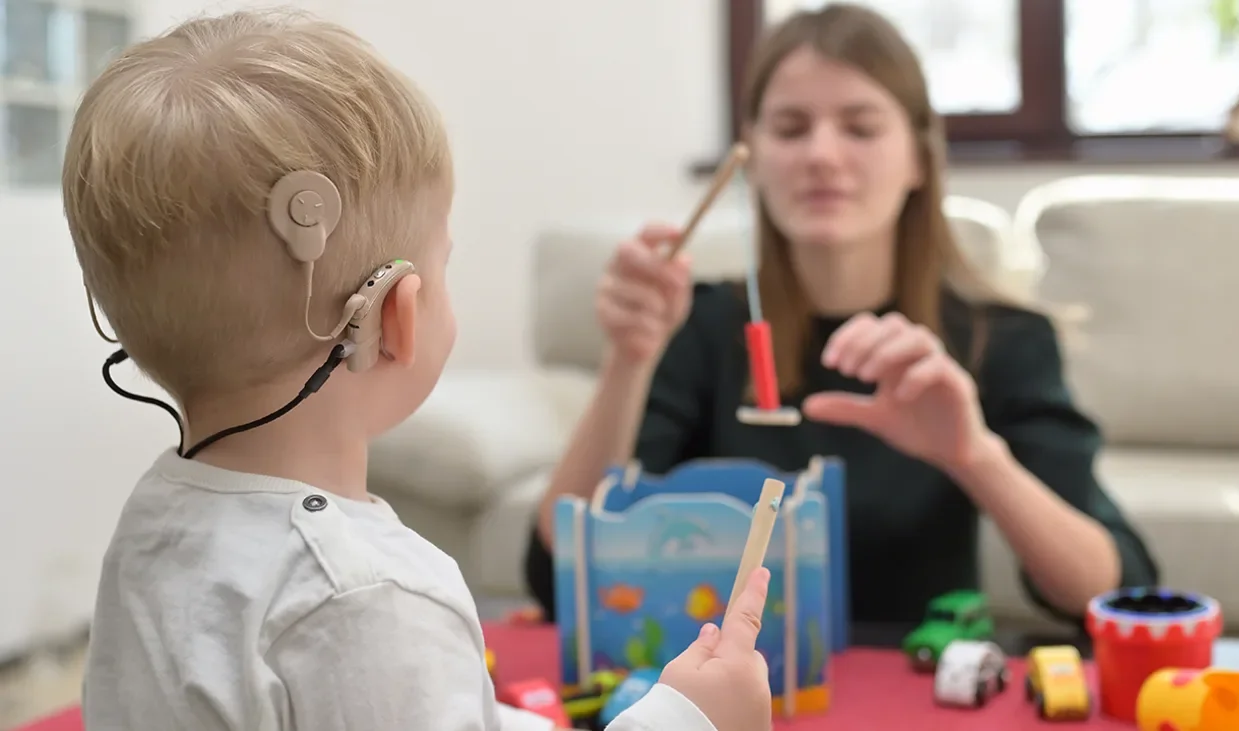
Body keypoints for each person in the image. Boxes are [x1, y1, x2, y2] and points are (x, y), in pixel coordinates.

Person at [69, 10, 772, 731]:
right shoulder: (365, 593)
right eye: (446, 261)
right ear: (397, 314)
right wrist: (689, 719)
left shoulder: (155, 519)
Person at [526, 3, 1158, 627]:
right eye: (791, 128)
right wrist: (627, 360)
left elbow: (1114, 590)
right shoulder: (697, 326)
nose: (822, 155)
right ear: (753, 156)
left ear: (918, 157)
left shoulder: (1004, 340)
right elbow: (561, 577)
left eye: (860, 127)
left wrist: (974, 457)